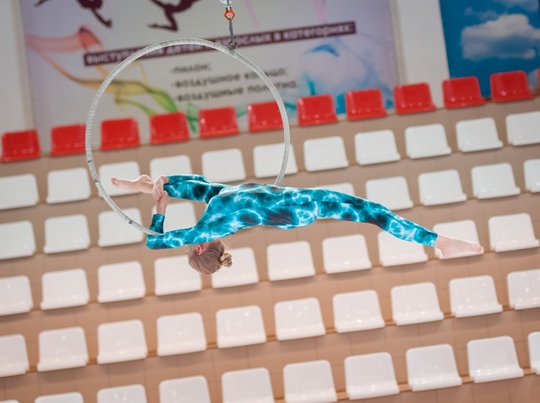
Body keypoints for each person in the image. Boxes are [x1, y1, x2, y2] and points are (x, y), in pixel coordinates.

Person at [112, 174, 484, 275]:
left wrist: (160, 201)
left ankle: (146, 184)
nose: (185, 245)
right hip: (294, 208)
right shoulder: (204, 231)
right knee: (373, 212)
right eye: (188, 250)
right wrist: (160, 210)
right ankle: (439, 242)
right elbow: (154, 242)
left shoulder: (213, 215)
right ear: (199, 248)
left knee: (199, 188)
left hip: (275, 201)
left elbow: (155, 239)